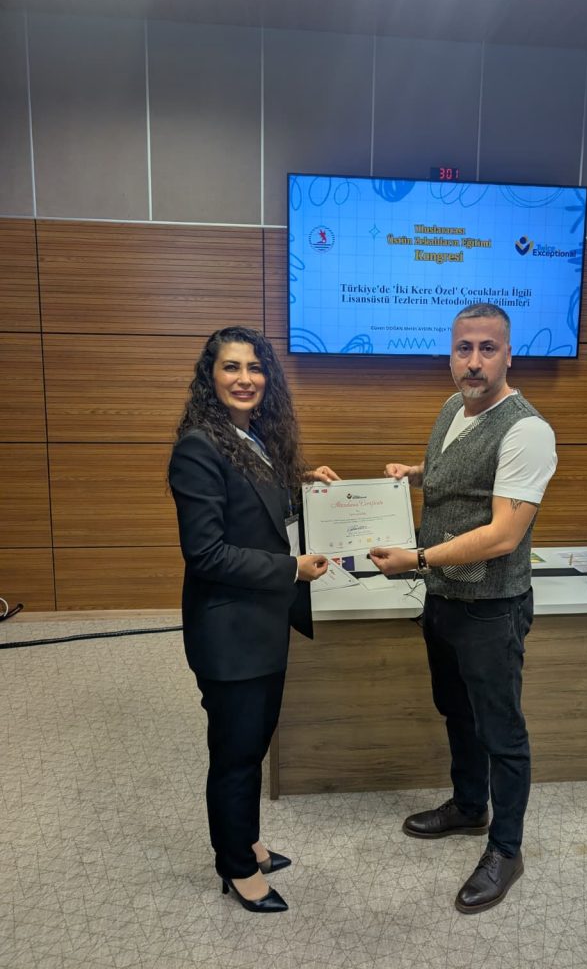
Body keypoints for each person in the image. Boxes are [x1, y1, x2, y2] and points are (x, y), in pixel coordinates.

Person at [369, 303, 557, 914]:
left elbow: (503, 534)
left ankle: (506, 848)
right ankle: (470, 806)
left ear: (509, 356)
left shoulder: (528, 431)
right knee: (456, 710)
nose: (473, 362)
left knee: (501, 731)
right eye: (463, 349)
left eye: (487, 349)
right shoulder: (455, 406)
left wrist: (417, 559)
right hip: (445, 597)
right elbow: (466, 473)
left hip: (491, 607)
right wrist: (415, 474)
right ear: (451, 354)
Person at [168, 326, 338, 914]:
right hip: (230, 634)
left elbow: (257, 505)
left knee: (254, 743)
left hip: (261, 624)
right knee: (236, 754)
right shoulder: (198, 447)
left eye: (255, 367)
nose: (245, 379)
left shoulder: (250, 436)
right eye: (231, 367)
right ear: (210, 377)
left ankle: (247, 841)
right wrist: (291, 569)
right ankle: (235, 866)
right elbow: (207, 554)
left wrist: (303, 482)